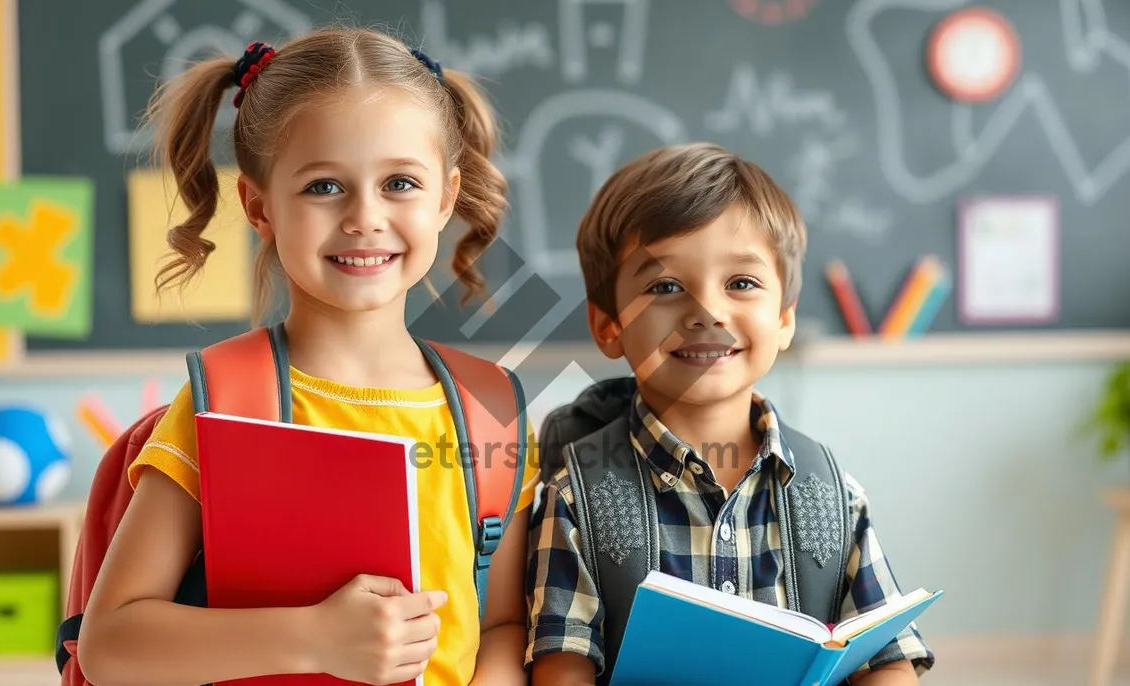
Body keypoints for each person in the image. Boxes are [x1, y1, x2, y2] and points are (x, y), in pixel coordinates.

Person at [76, 27, 538, 686]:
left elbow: (499, 626)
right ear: (259, 206)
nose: (364, 217)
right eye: (324, 187)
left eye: (400, 183)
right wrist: (315, 638)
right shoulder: (230, 400)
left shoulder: (492, 409)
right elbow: (112, 643)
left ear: (445, 199)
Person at [525, 142, 936, 685]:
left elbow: (885, 661)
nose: (708, 312)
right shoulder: (576, 495)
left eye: (741, 283)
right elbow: (563, 668)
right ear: (609, 325)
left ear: (785, 318)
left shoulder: (833, 495)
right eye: (665, 287)